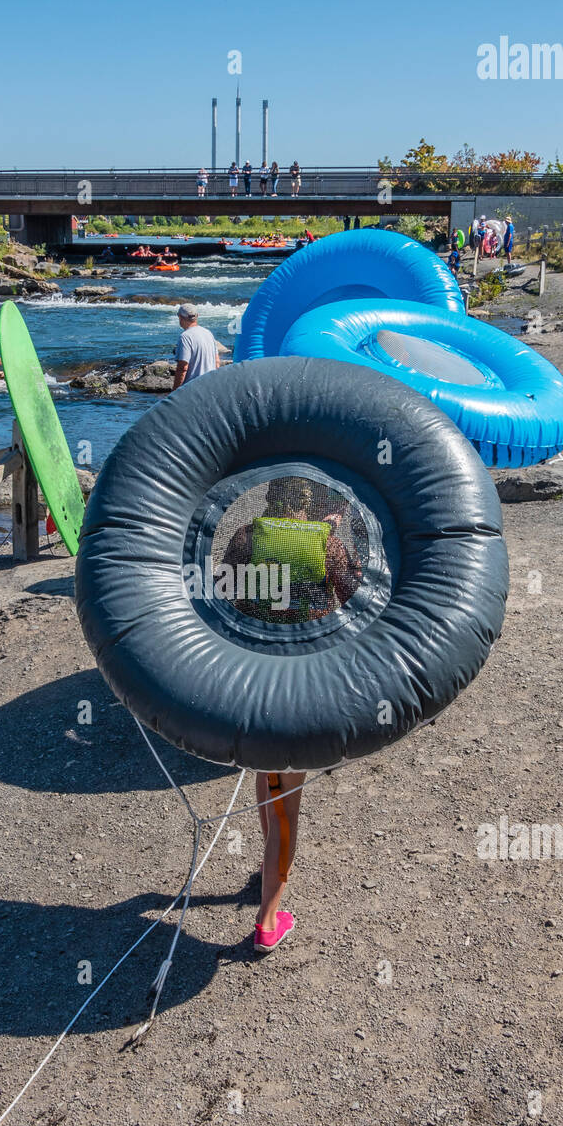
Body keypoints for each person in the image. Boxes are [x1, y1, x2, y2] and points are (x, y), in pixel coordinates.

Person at [219, 476, 363, 952]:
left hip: (252, 674)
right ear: (312, 504)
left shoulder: (246, 537)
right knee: (286, 803)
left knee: (270, 777)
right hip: (304, 681)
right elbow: (355, 597)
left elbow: (224, 592)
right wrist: (326, 538)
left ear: (270, 501)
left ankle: (266, 868)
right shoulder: (329, 544)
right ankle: (267, 921)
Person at [172, 303, 219, 389]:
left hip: (193, 391)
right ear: (197, 316)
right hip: (210, 387)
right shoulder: (208, 333)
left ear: (180, 317)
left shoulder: (185, 337)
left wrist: (174, 392)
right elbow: (217, 363)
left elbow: (183, 367)